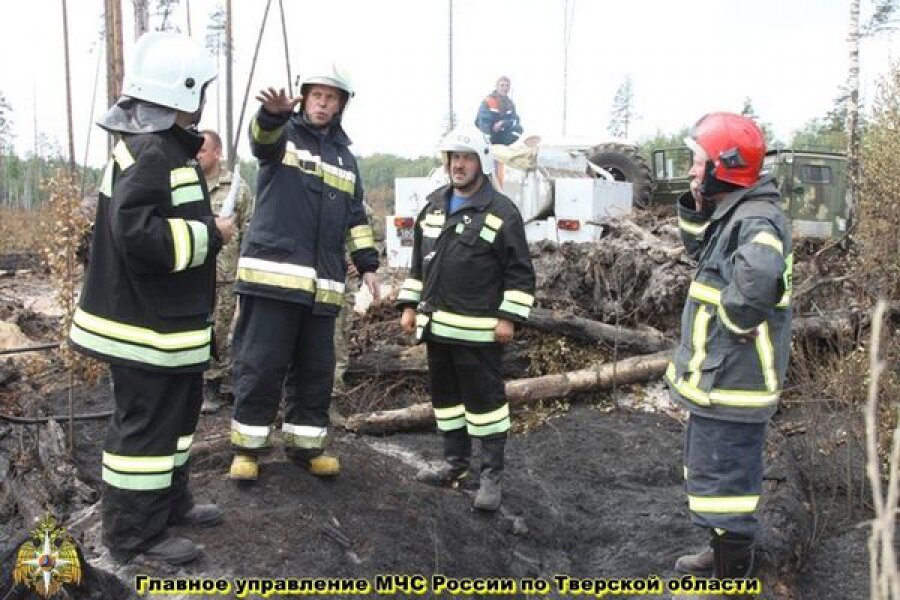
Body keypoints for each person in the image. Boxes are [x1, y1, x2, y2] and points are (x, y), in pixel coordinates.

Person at [68, 32, 234, 565]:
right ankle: (132, 536)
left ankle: (168, 505)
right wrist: (214, 235)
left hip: (169, 326)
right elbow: (138, 236)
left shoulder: (165, 148)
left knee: (178, 420)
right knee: (145, 431)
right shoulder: (151, 150)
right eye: (201, 89)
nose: (204, 98)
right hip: (145, 330)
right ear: (183, 92)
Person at [228, 64, 380, 482]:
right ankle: (247, 450)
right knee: (260, 365)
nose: (323, 102)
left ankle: (306, 447)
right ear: (304, 97)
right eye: (316, 95)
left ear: (341, 105)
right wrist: (272, 116)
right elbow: (261, 143)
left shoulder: (346, 159)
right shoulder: (284, 137)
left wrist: (367, 265)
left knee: (316, 371)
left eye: (331, 97)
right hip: (273, 281)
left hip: (324, 287)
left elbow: (355, 216)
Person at [665, 112, 792, 579]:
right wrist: (696, 206)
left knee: (728, 481)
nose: (692, 170)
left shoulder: (756, 218)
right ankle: (720, 552)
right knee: (712, 476)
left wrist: (732, 318)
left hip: (734, 377)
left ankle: (732, 573)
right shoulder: (735, 211)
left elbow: (758, 277)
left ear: (726, 165)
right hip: (719, 374)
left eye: (699, 163)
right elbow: (702, 253)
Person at [398, 125, 535, 511]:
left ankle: (491, 476)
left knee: (486, 404)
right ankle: (454, 464)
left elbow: (520, 273)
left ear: (482, 162)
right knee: (446, 401)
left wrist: (508, 316)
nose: (458, 165)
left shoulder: (502, 212)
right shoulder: (434, 206)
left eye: (466, 158)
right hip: (437, 327)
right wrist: (409, 306)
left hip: (479, 332)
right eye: (453, 158)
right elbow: (417, 264)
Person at [196, 129, 254, 413]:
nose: (197, 155)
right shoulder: (186, 183)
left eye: (203, 151)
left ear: (217, 153)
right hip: (192, 272)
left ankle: (212, 385)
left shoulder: (237, 188)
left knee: (218, 331)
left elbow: (250, 229)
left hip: (224, 275)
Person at [331, 200, 384, 424]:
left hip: (340, 286)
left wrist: (361, 261)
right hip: (307, 281)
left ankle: (330, 401)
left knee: (338, 343)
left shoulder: (356, 205)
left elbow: (377, 238)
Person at [475, 76, 523, 146]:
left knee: (518, 128)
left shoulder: (510, 104)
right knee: (485, 130)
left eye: (507, 86)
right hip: (488, 134)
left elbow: (515, 120)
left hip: (502, 135)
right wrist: (487, 141)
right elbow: (483, 122)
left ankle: (505, 148)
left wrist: (503, 122)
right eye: (502, 85)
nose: (504, 88)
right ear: (497, 87)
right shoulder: (488, 101)